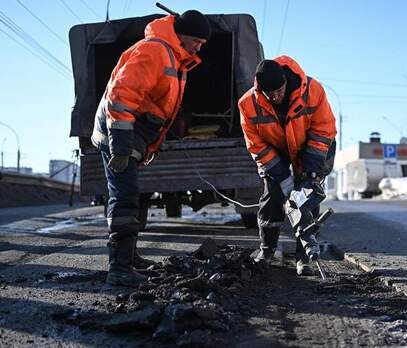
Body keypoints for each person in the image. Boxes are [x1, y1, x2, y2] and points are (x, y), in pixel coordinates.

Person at [91, 10, 211, 287]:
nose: (199, 47)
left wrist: (150, 145)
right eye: (197, 41)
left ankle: (129, 257)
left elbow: (157, 109)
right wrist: (121, 147)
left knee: (129, 194)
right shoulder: (155, 51)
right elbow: (121, 96)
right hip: (118, 132)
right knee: (125, 197)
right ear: (182, 34)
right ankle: (119, 268)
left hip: (131, 133)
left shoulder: (177, 58)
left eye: (202, 44)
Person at [238, 56, 337, 276]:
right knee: (273, 196)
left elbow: (323, 130)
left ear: (285, 81)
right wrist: (281, 177)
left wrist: (311, 169)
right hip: (276, 149)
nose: (275, 97)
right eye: (269, 94)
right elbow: (256, 145)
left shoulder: (313, 90)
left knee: (305, 196)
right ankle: (266, 251)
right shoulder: (248, 104)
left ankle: (305, 258)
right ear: (259, 89)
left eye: (279, 91)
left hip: (311, 145)